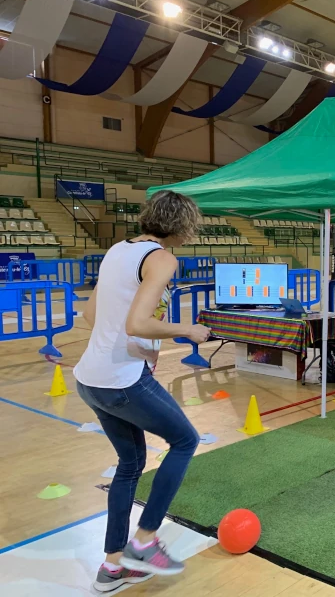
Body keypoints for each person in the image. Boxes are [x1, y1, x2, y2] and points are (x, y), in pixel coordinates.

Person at [73, 190, 211, 592]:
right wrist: (188, 330)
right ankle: (145, 541)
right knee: (185, 440)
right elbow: (136, 324)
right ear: (183, 226)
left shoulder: (118, 250)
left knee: (130, 466)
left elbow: (91, 315)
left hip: (90, 379)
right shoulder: (163, 258)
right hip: (122, 381)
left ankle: (112, 567)